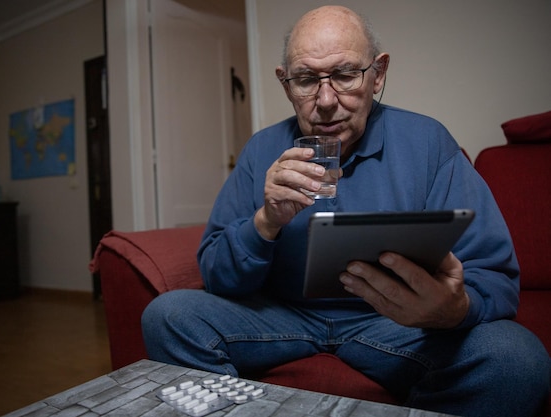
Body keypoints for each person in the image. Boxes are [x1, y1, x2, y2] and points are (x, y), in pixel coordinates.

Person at [142, 5, 550, 417]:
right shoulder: (262, 150)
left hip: (395, 324)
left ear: (379, 74)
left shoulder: (428, 143)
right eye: (305, 79)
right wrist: (266, 222)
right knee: (169, 314)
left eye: (344, 75)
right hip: (283, 317)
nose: (324, 101)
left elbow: (495, 279)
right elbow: (216, 275)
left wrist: (453, 309)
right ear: (286, 84)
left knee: (517, 359)